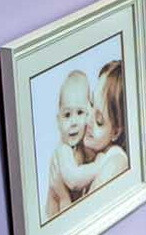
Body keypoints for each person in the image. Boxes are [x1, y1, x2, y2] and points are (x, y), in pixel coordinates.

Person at [41, 63, 129, 221]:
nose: (88, 120)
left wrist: (63, 196)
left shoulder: (114, 161)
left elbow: (81, 225)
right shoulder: (73, 150)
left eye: (99, 121)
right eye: (91, 105)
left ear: (116, 131)